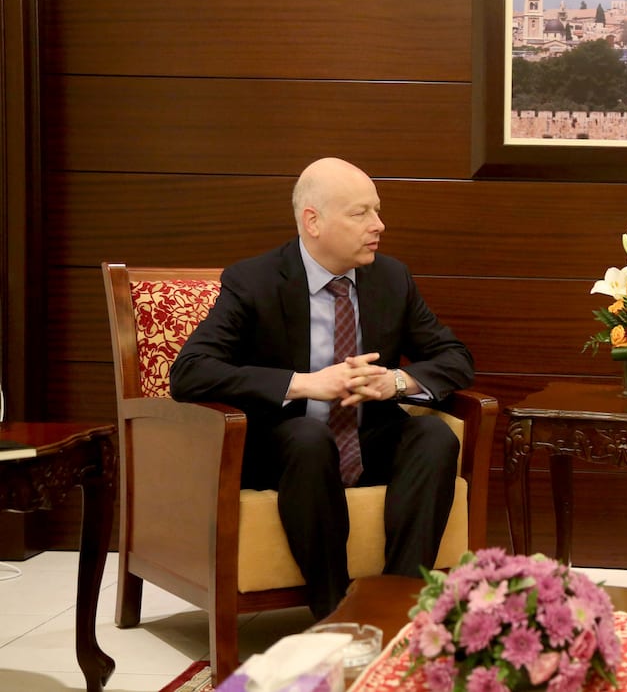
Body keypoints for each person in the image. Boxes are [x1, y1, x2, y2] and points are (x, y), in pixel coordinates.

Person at [170, 157, 474, 618]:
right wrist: (305, 384)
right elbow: (190, 371)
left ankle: (397, 604)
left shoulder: (391, 279)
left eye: (377, 210)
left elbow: (455, 357)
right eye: (360, 214)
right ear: (313, 221)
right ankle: (332, 612)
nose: (379, 224)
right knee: (309, 439)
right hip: (286, 447)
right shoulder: (254, 281)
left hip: (365, 437)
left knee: (433, 436)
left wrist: (396, 381)